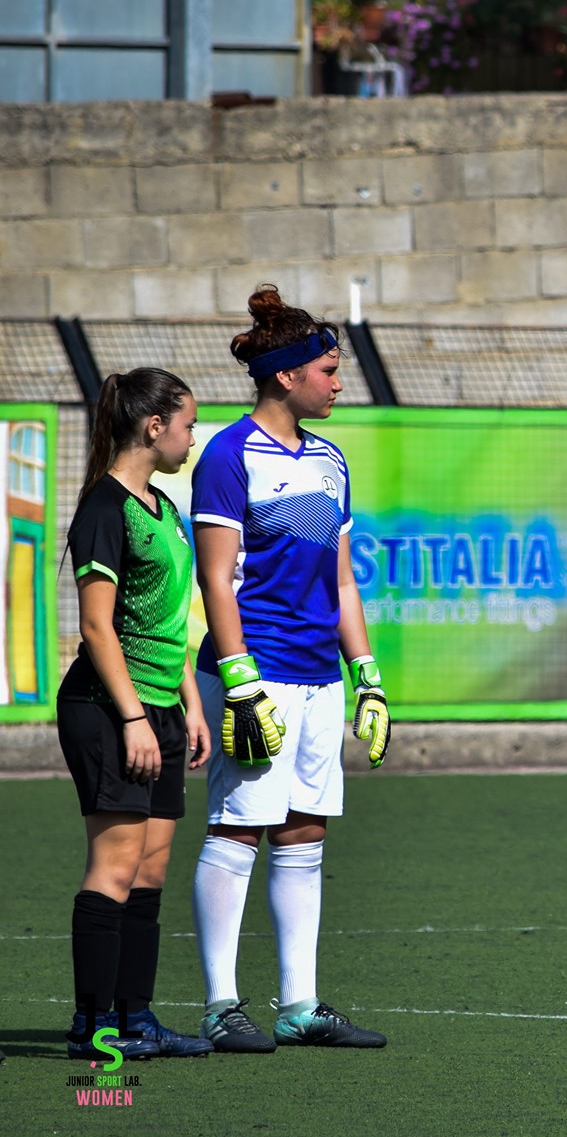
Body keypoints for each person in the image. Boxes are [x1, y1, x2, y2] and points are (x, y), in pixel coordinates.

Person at [189, 285, 393, 1053]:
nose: (339, 382)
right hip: (258, 671)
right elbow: (217, 579)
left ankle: (300, 1004)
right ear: (287, 376)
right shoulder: (228, 455)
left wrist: (367, 674)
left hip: (319, 675)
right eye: (330, 370)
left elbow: (342, 580)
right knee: (240, 826)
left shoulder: (333, 460)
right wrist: (239, 681)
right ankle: (220, 1004)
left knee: (305, 829)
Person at [57, 369, 214, 1060]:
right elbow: (97, 627)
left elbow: (172, 621)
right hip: (107, 708)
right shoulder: (104, 506)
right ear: (154, 427)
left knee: (149, 873)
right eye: (187, 423)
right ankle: (94, 1028)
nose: (191, 436)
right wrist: (132, 717)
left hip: (161, 709)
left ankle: (138, 1017)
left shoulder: (165, 508)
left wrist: (187, 705)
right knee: (114, 868)